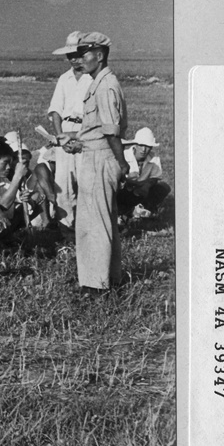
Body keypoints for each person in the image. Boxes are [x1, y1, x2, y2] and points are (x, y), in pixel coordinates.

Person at [63, 32, 128, 291]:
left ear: (99, 56)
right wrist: (80, 144)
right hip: (95, 153)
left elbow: (111, 131)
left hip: (101, 158)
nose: (81, 59)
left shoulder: (105, 85)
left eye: (85, 54)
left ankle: (97, 285)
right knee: (101, 220)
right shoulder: (99, 82)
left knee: (95, 223)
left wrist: (121, 163)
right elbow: (99, 131)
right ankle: (108, 278)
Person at [46, 30, 90, 227]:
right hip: (65, 129)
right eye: (70, 55)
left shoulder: (94, 78)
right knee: (63, 182)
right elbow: (55, 110)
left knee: (86, 180)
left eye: (77, 55)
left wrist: (78, 139)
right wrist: (60, 137)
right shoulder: (64, 79)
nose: (74, 59)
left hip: (86, 131)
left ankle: (87, 224)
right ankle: (66, 225)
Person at [119, 127, 170, 219]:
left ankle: (142, 208)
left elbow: (155, 177)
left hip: (142, 191)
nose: (143, 150)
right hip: (126, 191)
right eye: (141, 145)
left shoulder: (154, 159)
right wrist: (131, 182)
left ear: (151, 147)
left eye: (147, 146)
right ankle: (126, 211)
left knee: (163, 187)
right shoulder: (124, 156)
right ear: (135, 144)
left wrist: (147, 185)